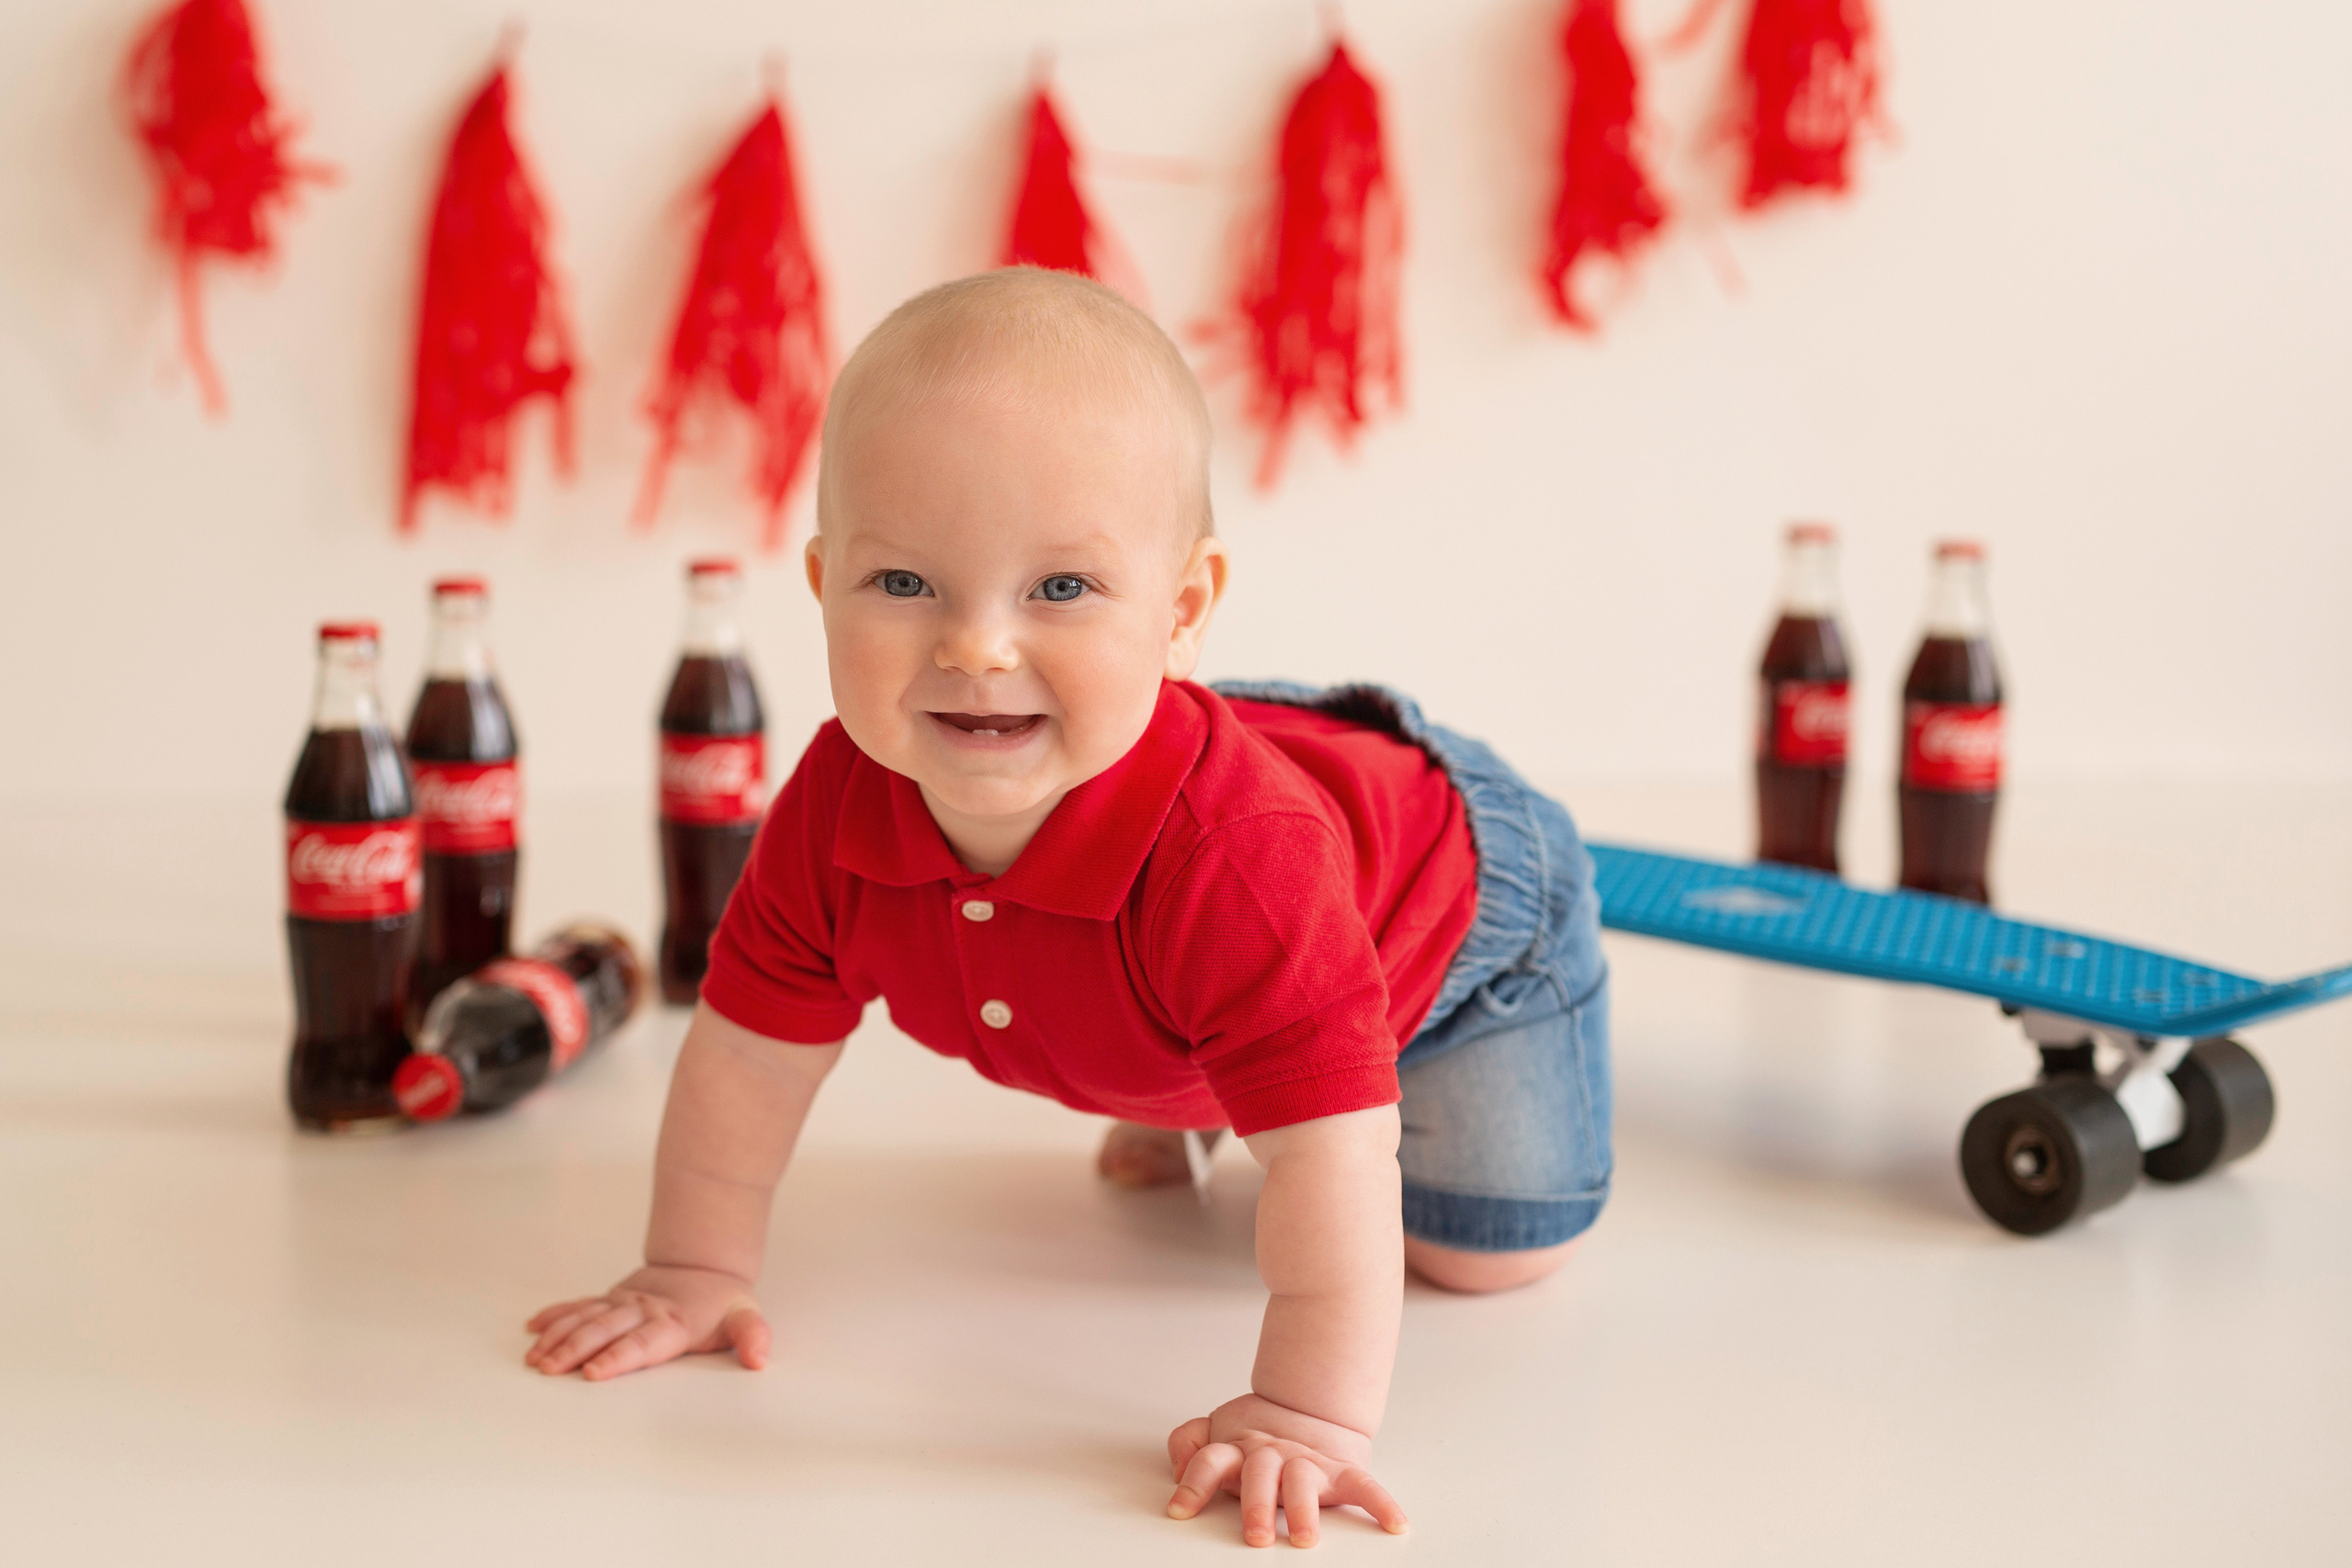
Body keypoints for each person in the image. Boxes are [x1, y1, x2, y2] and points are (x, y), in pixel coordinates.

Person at [523, 268, 1611, 1549]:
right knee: (1189, 995)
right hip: (1187, 843)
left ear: (1182, 611)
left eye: (1059, 590)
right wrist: (693, 1270)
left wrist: (1306, 1415)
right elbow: (746, 1061)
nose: (975, 646)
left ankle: (1267, 1054)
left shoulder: (1236, 865)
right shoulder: (834, 807)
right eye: (906, 585)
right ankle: (1203, 1076)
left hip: (1467, 904)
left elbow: (1332, 1156)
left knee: (1487, 1248)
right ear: (823, 584)